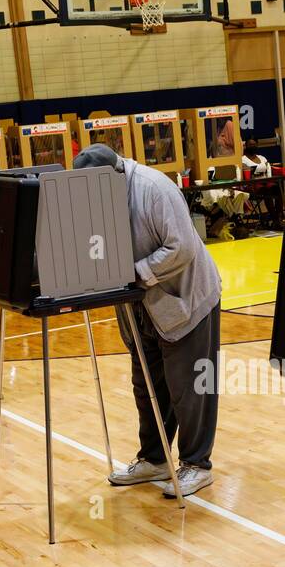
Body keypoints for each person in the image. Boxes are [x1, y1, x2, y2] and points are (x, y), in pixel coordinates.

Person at [73, 143, 222, 498]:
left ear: (114, 174)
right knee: (148, 387)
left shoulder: (154, 189)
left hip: (186, 300)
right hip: (140, 306)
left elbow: (182, 247)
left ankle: (197, 465)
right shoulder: (99, 194)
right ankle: (154, 459)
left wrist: (132, 272)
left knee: (190, 387)